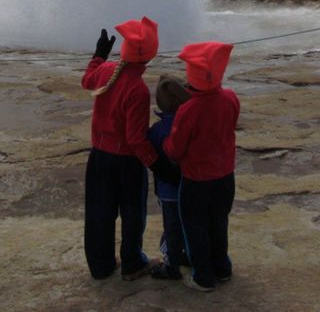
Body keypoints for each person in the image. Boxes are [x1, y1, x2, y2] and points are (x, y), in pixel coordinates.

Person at [81, 16, 174, 281]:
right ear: (149, 56)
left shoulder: (106, 70)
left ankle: (100, 265)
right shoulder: (138, 89)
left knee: (99, 212)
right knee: (133, 213)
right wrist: (159, 165)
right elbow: (135, 139)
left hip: (99, 158)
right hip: (127, 163)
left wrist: (98, 56)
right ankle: (132, 263)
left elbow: (86, 80)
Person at [163, 41, 240, 292]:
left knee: (195, 227)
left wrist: (164, 145)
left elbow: (175, 148)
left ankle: (203, 277)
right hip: (225, 176)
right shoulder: (230, 98)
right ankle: (223, 268)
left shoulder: (188, 109)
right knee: (219, 223)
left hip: (196, 181)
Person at [147, 75, 191, 280]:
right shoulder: (190, 124)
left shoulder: (156, 130)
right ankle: (190, 256)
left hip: (166, 191)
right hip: (191, 186)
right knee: (191, 224)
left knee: (171, 229)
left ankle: (171, 264)